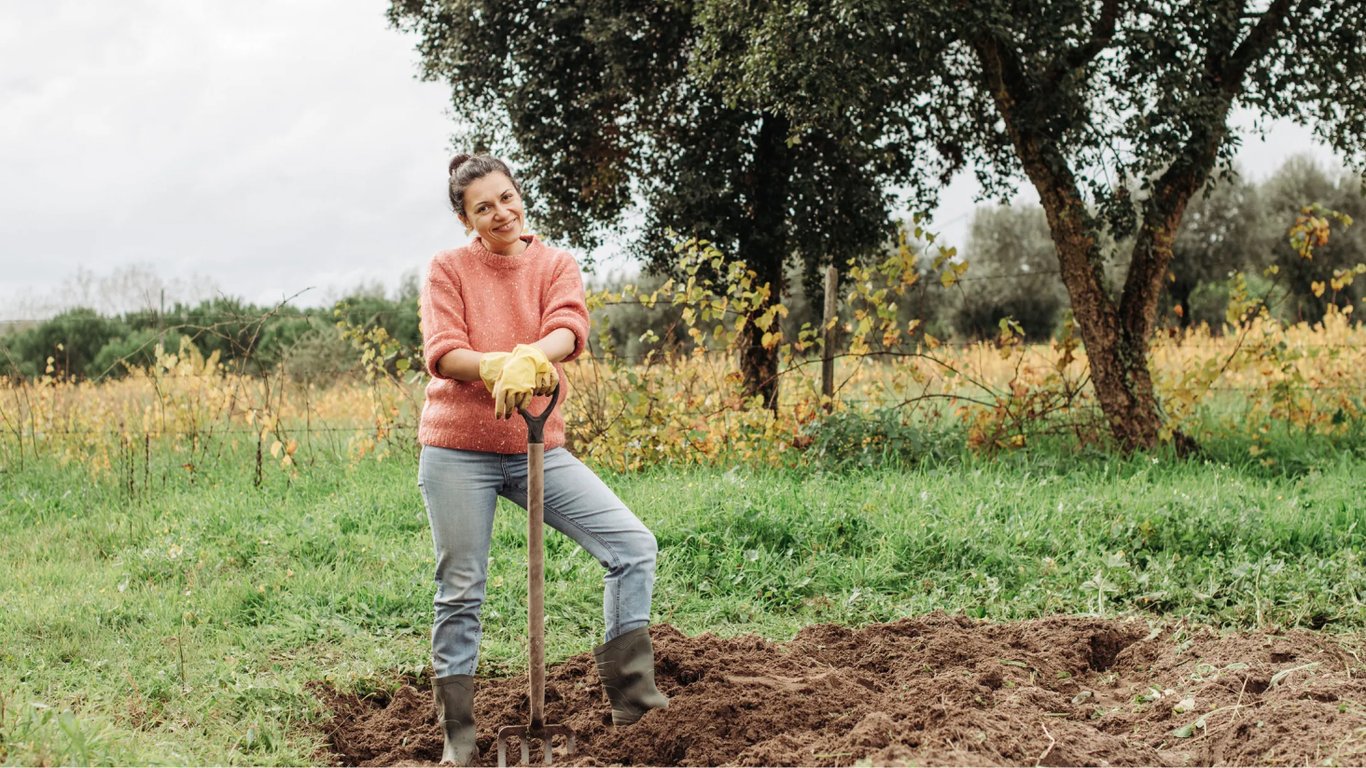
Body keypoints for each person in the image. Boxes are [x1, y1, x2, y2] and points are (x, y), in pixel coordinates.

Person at [417, 154, 669, 765]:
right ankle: (461, 738)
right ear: (465, 219)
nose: (501, 213)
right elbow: (444, 350)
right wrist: (494, 364)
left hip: (537, 446)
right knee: (461, 589)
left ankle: (633, 705)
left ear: (518, 195)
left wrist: (532, 353)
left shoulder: (554, 263)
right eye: (484, 207)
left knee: (631, 546)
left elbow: (569, 327)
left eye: (507, 198)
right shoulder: (447, 269)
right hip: (457, 452)